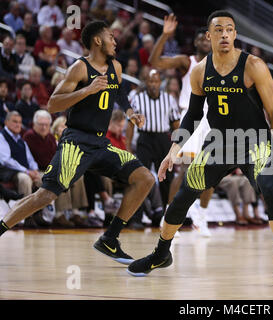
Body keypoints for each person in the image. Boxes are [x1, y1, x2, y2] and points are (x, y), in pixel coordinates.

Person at [127, 11, 273, 289]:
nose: (224, 34)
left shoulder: (253, 65)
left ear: (235, 35)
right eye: (218, 30)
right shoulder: (199, 70)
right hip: (218, 143)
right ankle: (161, 253)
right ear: (208, 36)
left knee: (271, 189)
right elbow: (193, 116)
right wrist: (173, 150)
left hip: (254, 142)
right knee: (185, 194)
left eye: (229, 29)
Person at [0, 21, 154, 266]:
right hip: (76, 141)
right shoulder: (79, 68)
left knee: (145, 178)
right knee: (45, 196)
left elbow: (120, 93)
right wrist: (87, 91)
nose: (116, 41)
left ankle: (110, 239)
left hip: (100, 144)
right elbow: (52, 104)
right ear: (97, 40)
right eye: (111, 37)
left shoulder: (116, 66)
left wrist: (130, 112)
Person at [149, 14, 214, 237]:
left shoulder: (221, 64)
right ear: (196, 42)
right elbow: (154, 62)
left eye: (208, 38)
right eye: (201, 39)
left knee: (212, 171)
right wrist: (165, 36)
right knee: (185, 169)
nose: (205, 42)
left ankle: (201, 217)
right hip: (192, 117)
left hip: (213, 120)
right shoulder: (188, 61)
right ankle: (169, 217)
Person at [127, 69, 180, 229]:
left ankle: (165, 216)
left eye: (156, 81)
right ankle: (136, 218)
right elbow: (130, 125)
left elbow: (176, 123)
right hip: (145, 139)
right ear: (145, 82)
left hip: (164, 139)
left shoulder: (169, 99)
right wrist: (128, 146)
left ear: (160, 82)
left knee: (167, 179)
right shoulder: (137, 98)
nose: (153, 84)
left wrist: (178, 145)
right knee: (141, 177)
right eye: (150, 81)